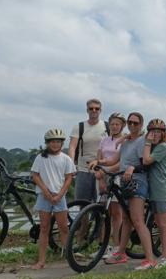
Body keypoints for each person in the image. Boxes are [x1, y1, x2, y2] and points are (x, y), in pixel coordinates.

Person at [102, 112, 156, 270]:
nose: (132, 125)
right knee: (126, 219)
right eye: (130, 123)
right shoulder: (126, 141)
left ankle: (150, 260)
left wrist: (133, 168)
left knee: (138, 220)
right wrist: (98, 163)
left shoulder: (142, 141)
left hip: (137, 181)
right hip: (124, 181)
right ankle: (121, 253)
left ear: (141, 125)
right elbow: (114, 161)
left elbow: (145, 164)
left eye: (135, 123)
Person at [30, 129, 75, 269]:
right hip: (44, 196)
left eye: (58, 142)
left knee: (63, 227)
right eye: (52, 142)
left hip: (59, 197)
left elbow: (69, 178)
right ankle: (41, 261)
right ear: (47, 143)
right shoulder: (40, 158)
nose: (55, 144)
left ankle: (69, 257)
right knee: (44, 228)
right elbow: (35, 175)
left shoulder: (66, 158)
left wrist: (60, 194)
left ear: (62, 143)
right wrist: (46, 192)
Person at [88, 112, 126, 259]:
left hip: (117, 177)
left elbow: (121, 161)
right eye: (112, 124)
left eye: (117, 124)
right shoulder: (103, 140)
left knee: (117, 214)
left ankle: (117, 246)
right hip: (102, 176)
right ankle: (103, 246)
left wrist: (106, 172)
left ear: (122, 126)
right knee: (104, 213)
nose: (114, 127)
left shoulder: (124, 141)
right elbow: (99, 159)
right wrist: (101, 177)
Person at [142, 119, 166, 267]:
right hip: (154, 190)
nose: (155, 134)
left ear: (163, 134)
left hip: (162, 188)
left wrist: (147, 143)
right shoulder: (155, 147)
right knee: (158, 222)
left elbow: (146, 161)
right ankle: (164, 254)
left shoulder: (163, 147)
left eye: (158, 132)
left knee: (163, 223)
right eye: (152, 131)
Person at [68, 99, 108, 203]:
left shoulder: (107, 126)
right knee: (82, 203)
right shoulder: (79, 127)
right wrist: (71, 165)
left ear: (100, 110)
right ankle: (83, 220)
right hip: (83, 170)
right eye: (91, 108)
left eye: (97, 108)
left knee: (102, 205)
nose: (94, 110)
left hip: (102, 170)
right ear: (87, 110)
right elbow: (72, 147)